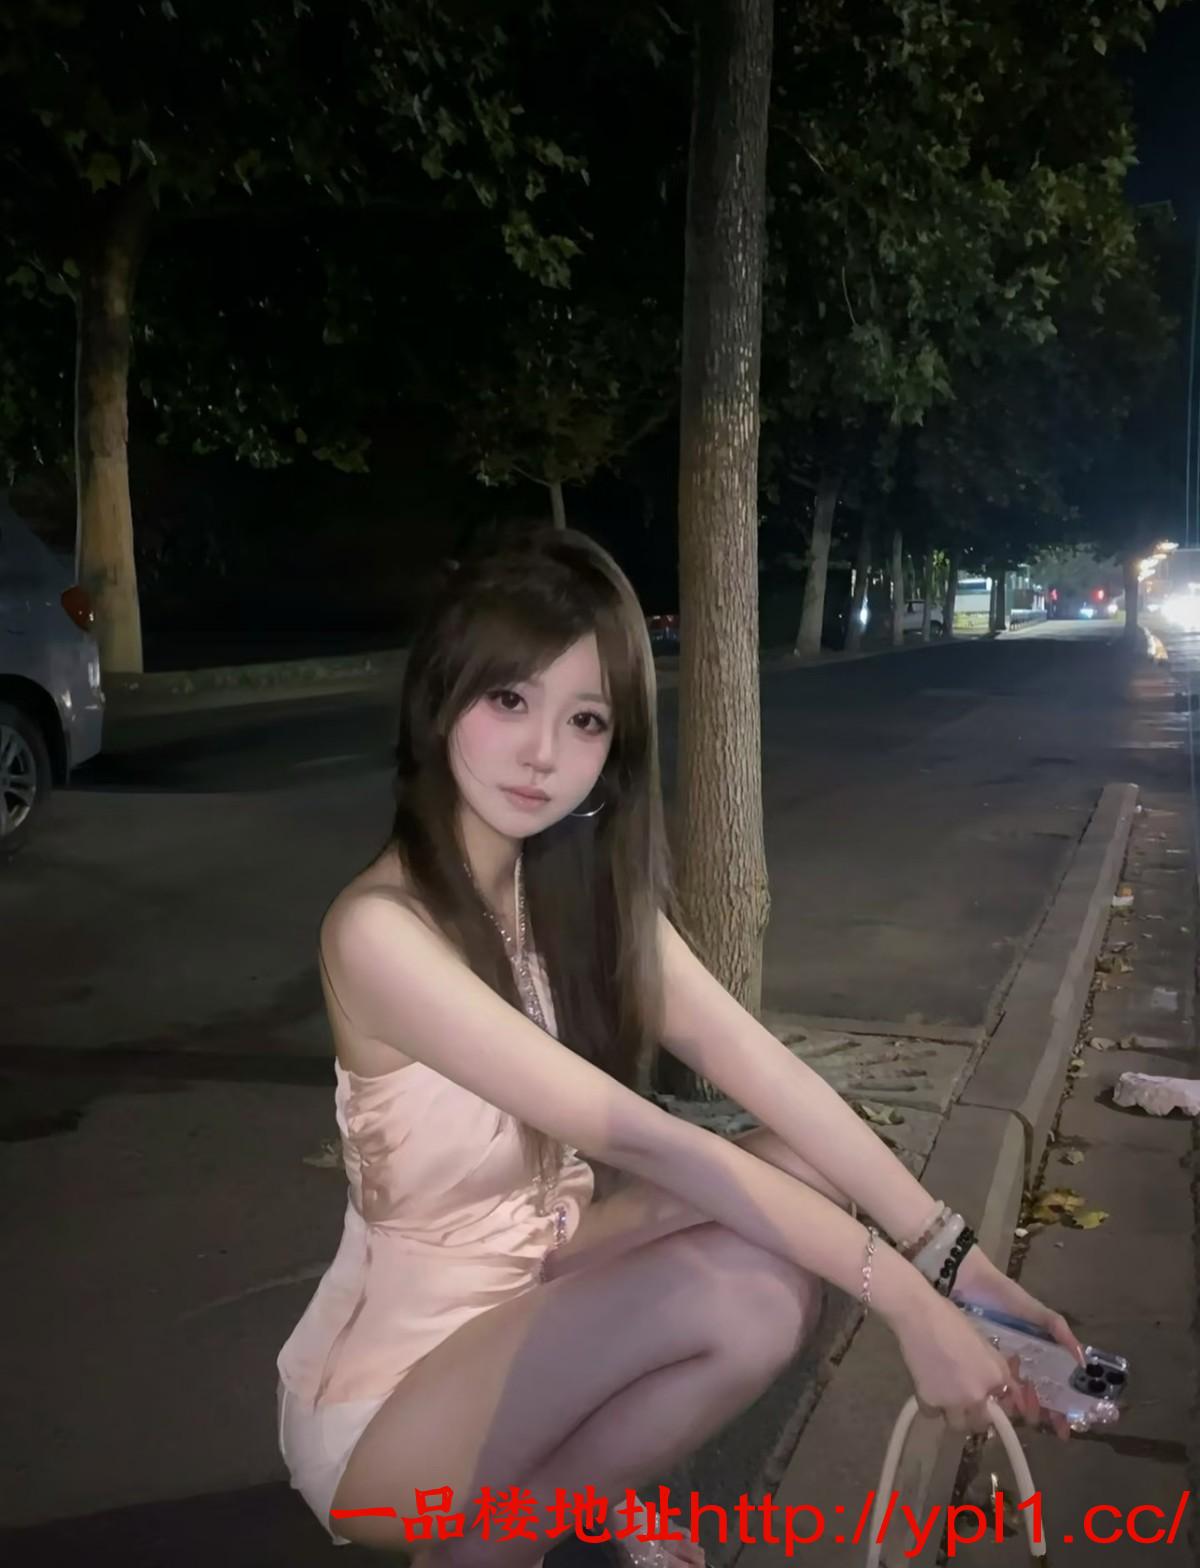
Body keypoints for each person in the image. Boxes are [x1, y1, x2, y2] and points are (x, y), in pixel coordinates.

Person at [275, 526, 1080, 1566]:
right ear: (439, 697)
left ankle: (570, 1488)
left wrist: (960, 1266)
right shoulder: (381, 932)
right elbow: (654, 1141)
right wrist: (913, 1313)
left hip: (543, 1272)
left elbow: (768, 1070)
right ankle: (494, 1544)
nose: (542, 753)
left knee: (799, 1174)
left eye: (585, 719)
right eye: (509, 700)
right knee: (744, 1299)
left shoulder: (568, 895)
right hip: (393, 1409)